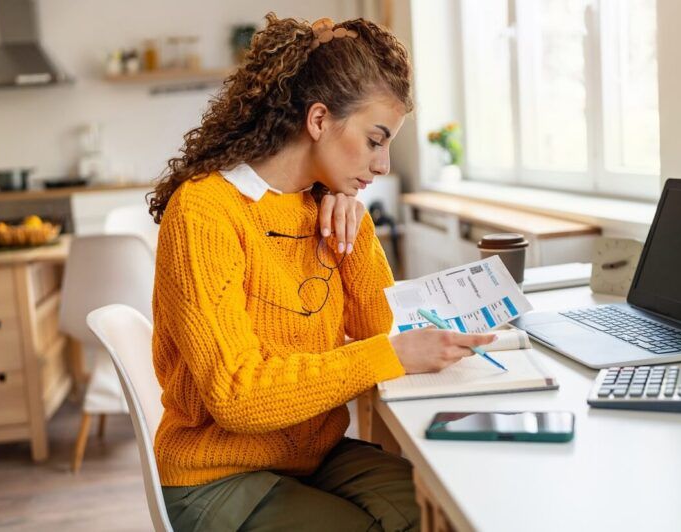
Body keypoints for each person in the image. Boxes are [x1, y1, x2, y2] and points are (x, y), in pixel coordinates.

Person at [147, 13, 495, 531]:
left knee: (450, 506)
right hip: (218, 477)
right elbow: (238, 396)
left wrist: (355, 233)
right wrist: (390, 356)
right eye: (376, 140)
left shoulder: (321, 206)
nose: (382, 165)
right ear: (317, 120)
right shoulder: (204, 212)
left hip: (314, 457)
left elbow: (380, 323)